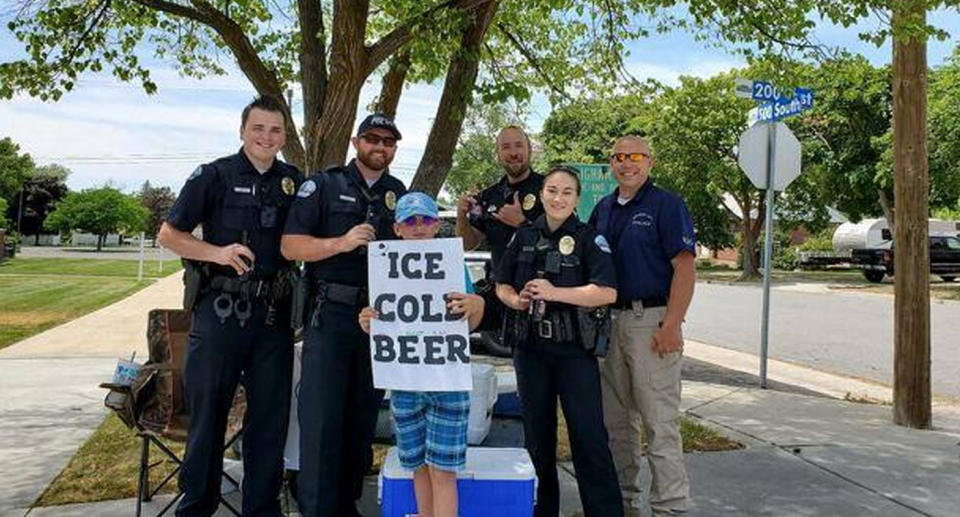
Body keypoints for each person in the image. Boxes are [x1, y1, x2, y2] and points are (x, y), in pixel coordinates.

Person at [157, 95, 302, 517]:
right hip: (219, 314)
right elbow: (169, 234)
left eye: (275, 130)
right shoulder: (213, 175)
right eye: (258, 128)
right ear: (242, 131)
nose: (266, 137)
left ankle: (261, 509)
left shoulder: (293, 181)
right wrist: (216, 253)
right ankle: (197, 507)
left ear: (284, 137)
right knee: (208, 422)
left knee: (269, 423)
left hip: (272, 320)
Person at [281, 113, 407, 517]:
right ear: (356, 142)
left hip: (378, 321)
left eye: (388, 141)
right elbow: (291, 246)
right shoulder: (323, 184)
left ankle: (347, 502)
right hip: (331, 315)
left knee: (361, 418)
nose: (380, 147)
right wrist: (341, 242)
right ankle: (317, 507)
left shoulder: (396, 192)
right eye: (373, 138)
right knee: (321, 420)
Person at [495, 165, 623, 517]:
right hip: (530, 351)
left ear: (577, 199)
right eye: (552, 190)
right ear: (543, 194)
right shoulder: (523, 235)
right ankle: (540, 511)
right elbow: (501, 283)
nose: (558, 197)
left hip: (573, 354)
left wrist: (557, 292)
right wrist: (514, 300)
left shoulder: (588, 238)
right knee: (537, 440)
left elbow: (607, 292)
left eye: (567, 192)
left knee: (589, 438)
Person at [358, 192, 485, 517]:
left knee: (443, 471)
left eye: (426, 220)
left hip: (447, 382)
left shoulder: (453, 265)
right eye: (410, 221)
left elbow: (469, 324)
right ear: (397, 228)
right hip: (404, 382)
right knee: (417, 467)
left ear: (436, 227)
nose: (418, 227)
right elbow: (383, 323)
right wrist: (368, 322)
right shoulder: (383, 268)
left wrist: (477, 306)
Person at [588, 135, 696, 516]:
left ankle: (670, 508)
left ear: (650, 162)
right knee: (617, 426)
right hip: (608, 324)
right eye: (619, 157)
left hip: (649, 321)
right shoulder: (602, 209)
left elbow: (684, 266)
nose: (626, 163)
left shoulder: (666, 205)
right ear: (611, 164)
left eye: (635, 156)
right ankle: (624, 504)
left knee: (659, 425)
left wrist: (672, 324)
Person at [456, 126, 544, 333]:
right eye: (506, 147)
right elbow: (468, 244)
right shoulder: (488, 197)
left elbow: (565, 240)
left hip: (541, 293)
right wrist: (461, 216)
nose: (513, 152)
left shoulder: (549, 189)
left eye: (518, 145)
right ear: (498, 154)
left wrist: (523, 223)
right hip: (502, 292)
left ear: (529, 149)